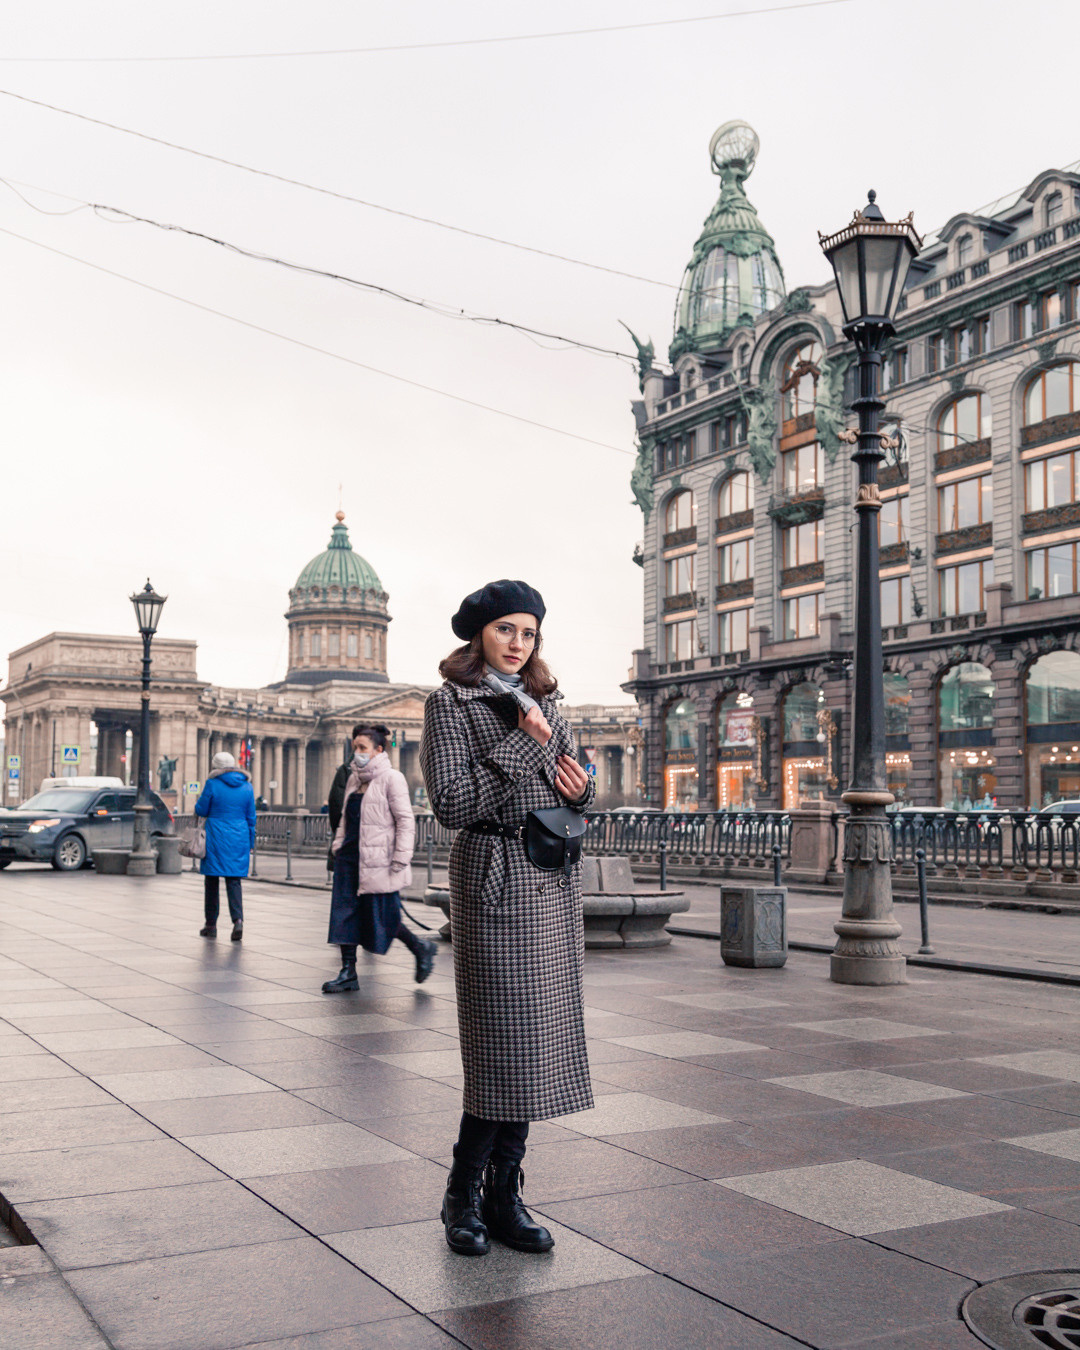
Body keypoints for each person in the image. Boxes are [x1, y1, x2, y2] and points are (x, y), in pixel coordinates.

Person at [420, 579, 594, 1258]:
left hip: (548, 879)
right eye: (505, 631)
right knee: (502, 1044)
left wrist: (584, 787)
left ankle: (504, 1195)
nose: (518, 645)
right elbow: (454, 804)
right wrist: (525, 745)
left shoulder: (548, 698)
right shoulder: (450, 703)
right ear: (478, 635)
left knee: (536, 1042)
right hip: (492, 877)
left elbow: (569, 781)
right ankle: (463, 1193)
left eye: (528, 633)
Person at [322, 724, 437, 993]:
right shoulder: (354, 779)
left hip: (379, 861)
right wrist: (338, 846)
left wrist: (401, 858)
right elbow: (343, 820)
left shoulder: (391, 778)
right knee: (344, 914)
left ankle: (421, 947)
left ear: (378, 750)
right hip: (349, 859)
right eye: (355, 749)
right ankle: (348, 971)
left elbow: (405, 821)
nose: (357, 754)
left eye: (362, 748)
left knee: (383, 917)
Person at [194, 752, 256, 940]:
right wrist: (250, 842)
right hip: (239, 836)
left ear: (216, 767)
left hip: (216, 836)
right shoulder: (247, 786)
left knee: (212, 881)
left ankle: (210, 925)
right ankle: (238, 921)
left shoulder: (212, 784)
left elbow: (201, 810)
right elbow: (251, 818)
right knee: (234, 881)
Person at [326, 726, 363, 886]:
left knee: (345, 900)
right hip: (366, 852)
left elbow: (335, 808)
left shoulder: (344, 770)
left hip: (348, 846)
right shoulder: (388, 775)